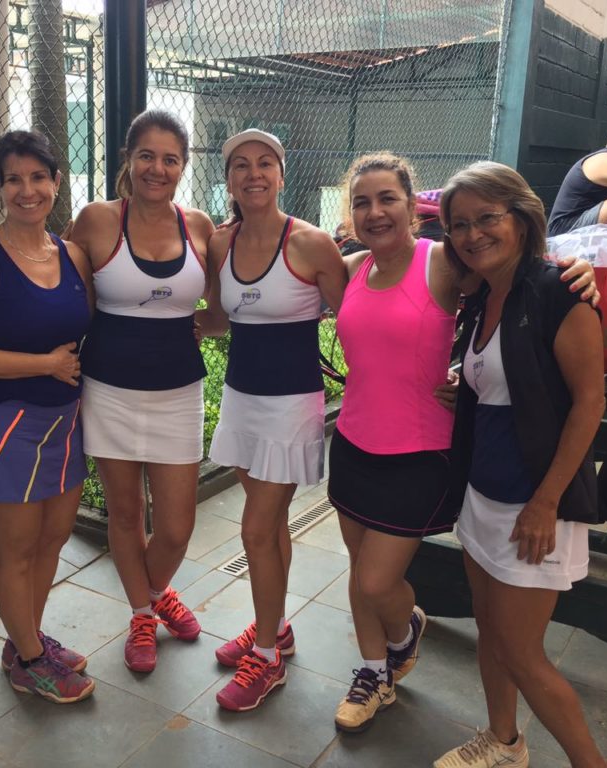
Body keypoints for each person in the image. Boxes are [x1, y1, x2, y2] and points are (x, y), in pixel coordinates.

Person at [327, 153, 598, 734]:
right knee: (359, 569)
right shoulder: (348, 269)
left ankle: (405, 631)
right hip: (351, 441)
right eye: (361, 202)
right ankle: (374, 672)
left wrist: (577, 268)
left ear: (411, 205)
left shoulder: (445, 262)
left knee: (377, 581)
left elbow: (517, 273)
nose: (375, 212)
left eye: (387, 198)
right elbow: (281, 268)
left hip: (420, 451)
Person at [434, 161, 607, 768]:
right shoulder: (483, 296)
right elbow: (510, 381)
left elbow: (589, 403)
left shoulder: (559, 290)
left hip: (533, 505)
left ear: (521, 217)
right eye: (460, 224)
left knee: (521, 652)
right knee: (491, 632)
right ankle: (504, 742)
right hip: (483, 497)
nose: (473, 234)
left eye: (487, 217)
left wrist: (546, 502)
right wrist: (467, 386)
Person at [197, 129, 348, 711]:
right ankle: (276, 628)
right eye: (240, 165)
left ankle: (266, 657)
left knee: (257, 531)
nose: (253, 174)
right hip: (241, 400)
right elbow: (218, 319)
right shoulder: (221, 242)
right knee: (272, 525)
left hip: (291, 407)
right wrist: (156, 328)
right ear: (228, 179)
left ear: (282, 176)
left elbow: (354, 318)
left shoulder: (310, 244)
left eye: (265, 164)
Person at [0, 130, 95, 703]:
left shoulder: (72, 254)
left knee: (53, 540)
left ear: (56, 182)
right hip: (9, 422)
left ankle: (24, 639)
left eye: (38, 177)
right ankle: (31, 661)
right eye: (14, 179)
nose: (27, 190)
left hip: (67, 419)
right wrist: (45, 364)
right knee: (15, 551)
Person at [67, 110, 215, 673]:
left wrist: (206, 324)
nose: (158, 168)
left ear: (184, 165)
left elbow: (223, 306)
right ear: (128, 159)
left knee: (176, 526)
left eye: (170, 159)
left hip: (179, 390)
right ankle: (142, 615)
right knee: (126, 514)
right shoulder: (96, 220)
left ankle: (154, 594)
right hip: (109, 388)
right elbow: (64, 294)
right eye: (147, 155)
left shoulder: (200, 226)